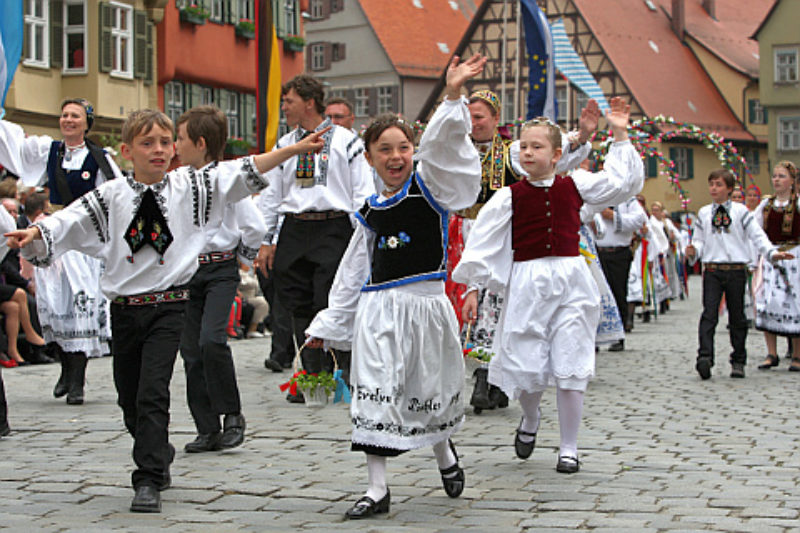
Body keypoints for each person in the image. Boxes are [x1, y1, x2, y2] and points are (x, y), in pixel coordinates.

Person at [4, 109, 328, 513]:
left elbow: (239, 171)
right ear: (126, 151)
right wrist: (35, 232)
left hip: (170, 305)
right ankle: (156, 448)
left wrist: (293, 149)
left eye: (164, 142)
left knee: (153, 391)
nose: (158, 150)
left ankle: (149, 477)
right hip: (125, 310)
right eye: (147, 143)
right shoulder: (111, 196)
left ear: (174, 148)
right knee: (129, 399)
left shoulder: (190, 186)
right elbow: (69, 220)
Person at [306, 53, 486, 519]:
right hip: (379, 311)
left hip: (425, 307)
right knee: (376, 390)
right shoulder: (367, 210)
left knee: (424, 387)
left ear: (414, 151)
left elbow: (447, 148)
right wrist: (330, 322)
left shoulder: (431, 188)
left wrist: (451, 95)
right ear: (369, 157)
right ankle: (377, 488)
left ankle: (443, 452)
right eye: (384, 149)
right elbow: (353, 269)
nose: (395, 157)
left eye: (403, 147)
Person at [453, 97, 644, 474]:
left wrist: (619, 133)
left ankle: (569, 447)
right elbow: (482, 244)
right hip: (527, 284)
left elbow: (623, 185)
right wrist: (473, 288)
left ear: (558, 154)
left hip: (571, 280)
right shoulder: (509, 197)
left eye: (536, 146)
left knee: (572, 362)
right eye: (523, 146)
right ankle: (530, 416)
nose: (527, 152)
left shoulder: (577, 185)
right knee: (527, 367)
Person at [450, 90, 596, 413]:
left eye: (479, 117)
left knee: (499, 305)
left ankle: (492, 378)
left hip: (503, 233)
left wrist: (582, 135)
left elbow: (551, 148)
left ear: (495, 119)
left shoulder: (512, 152)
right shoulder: (457, 151)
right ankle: (475, 373)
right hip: (463, 232)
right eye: (468, 117)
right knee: (467, 304)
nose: (473, 123)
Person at [259, 75, 374, 400]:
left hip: (333, 227)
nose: (284, 108)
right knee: (296, 302)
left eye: (289, 101)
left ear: (309, 102)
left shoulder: (347, 142)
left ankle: (340, 372)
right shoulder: (284, 145)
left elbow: (360, 193)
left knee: (331, 299)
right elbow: (271, 195)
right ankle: (311, 375)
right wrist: (267, 240)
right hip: (295, 227)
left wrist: (361, 239)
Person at [0, 98, 117, 404]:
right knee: (55, 302)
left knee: (80, 303)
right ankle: (66, 369)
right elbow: (16, 148)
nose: (68, 120)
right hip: (54, 233)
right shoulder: (49, 151)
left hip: (84, 238)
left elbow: (116, 196)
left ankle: (77, 380)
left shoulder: (100, 158)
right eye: (64, 115)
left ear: (86, 122)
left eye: (74, 116)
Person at [174, 106, 266, 453]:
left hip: (218, 269)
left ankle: (232, 415)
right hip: (186, 272)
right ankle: (206, 426)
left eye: (180, 139)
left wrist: (241, 259)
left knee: (212, 339)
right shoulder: (178, 181)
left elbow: (254, 226)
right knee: (190, 350)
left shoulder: (227, 180)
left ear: (200, 143)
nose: (174, 146)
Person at [685, 169, 792, 380]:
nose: (713, 188)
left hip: (735, 270)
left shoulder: (741, 212)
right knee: (709, 314)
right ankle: (704, 357)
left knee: (737, 317)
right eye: (711, 184)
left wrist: (772, 253)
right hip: (713, 269)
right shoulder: (705, 213)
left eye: (718, 185)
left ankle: (738, 360)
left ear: (729, 189)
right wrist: (693, 251)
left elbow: (757, 236)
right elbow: (698, 239)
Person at [753, 161, 800, 371]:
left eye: (781, 176)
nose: (777, 180)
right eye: (774, 176)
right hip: (772, 257)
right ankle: (772, 353)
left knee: (795, 303)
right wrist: (755, 260)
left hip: (794, 257)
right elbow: (755, 232)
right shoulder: (765, 206)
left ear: (792, 181)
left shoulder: (798, 203)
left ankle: (797, 355)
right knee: (767, 301)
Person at [593, 195, 648, 346]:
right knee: (595, 294)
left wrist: (615, 217)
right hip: (597, 251)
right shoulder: (595, 194)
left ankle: (618, 335)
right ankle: (595, 336)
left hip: (619, 251)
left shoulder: (627, 198)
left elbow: (639, 219)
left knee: (618, 292)